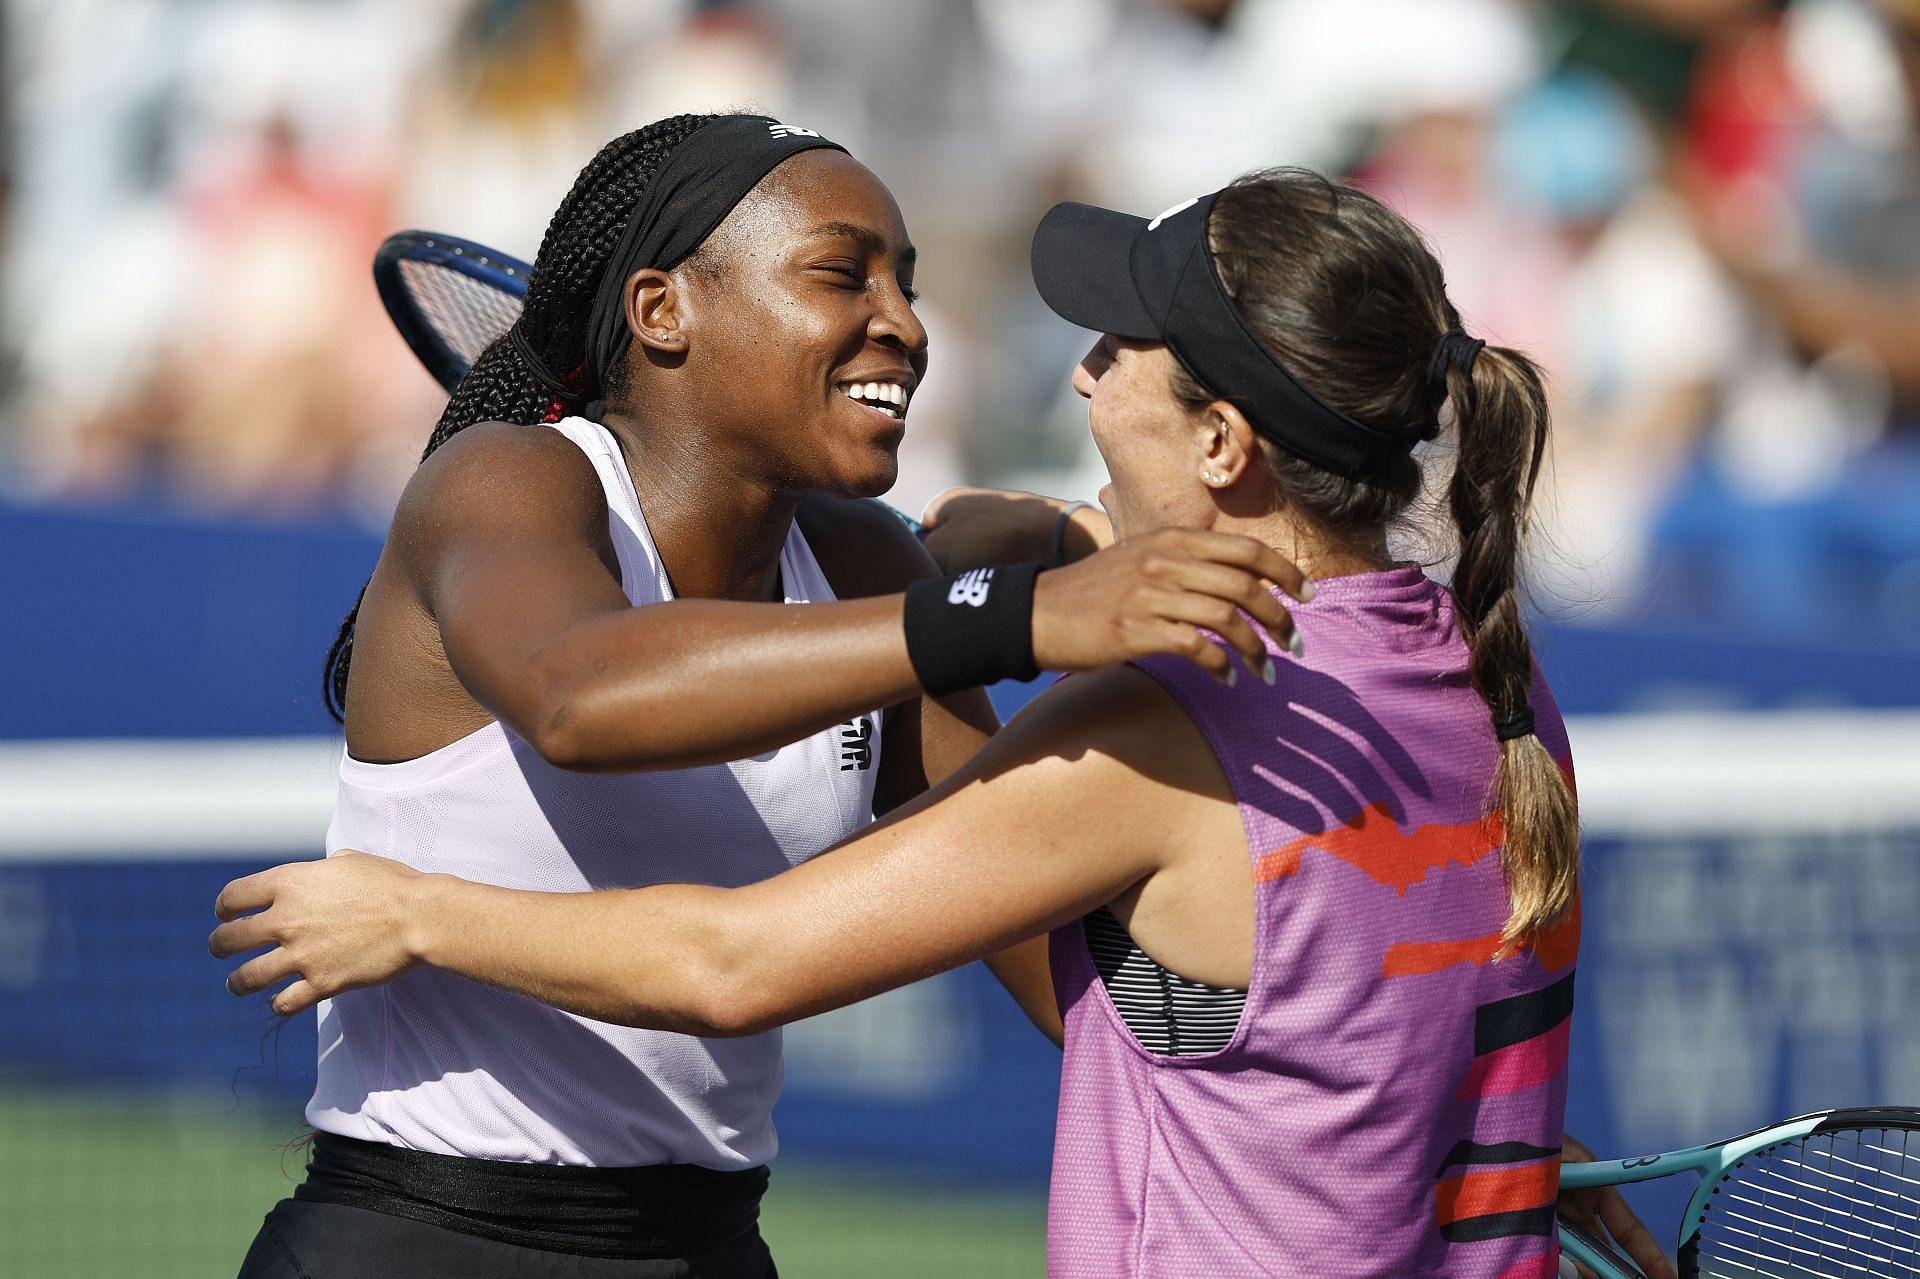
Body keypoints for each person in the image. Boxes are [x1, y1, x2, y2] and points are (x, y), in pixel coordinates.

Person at [216, 167, 1676, 1278]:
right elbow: (1287, 1031)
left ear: (1224, 444)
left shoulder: (1155, 737)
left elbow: (734, 962)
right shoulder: (1489, 680)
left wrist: (413, 914)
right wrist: (1018, 564)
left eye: (1119, 350)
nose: (1083, 374)